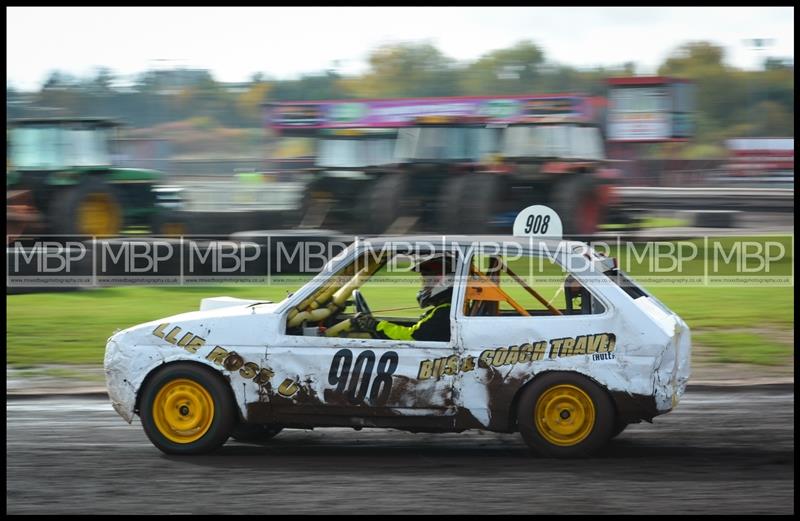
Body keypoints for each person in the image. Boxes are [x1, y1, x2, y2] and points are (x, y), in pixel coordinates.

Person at [350, 254, 455, 342]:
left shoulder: (444, 313)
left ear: (445, 281)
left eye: (427, 280)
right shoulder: (443, 310)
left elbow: (411, 337)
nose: (424, 284)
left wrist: (376, 326)